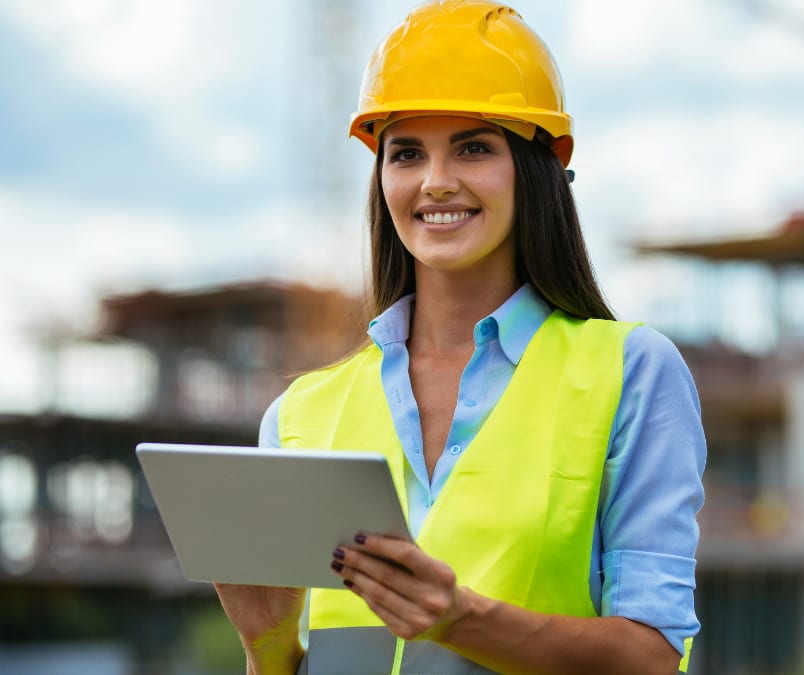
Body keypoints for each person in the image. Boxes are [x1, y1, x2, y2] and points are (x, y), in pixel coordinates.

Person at [214, 1, 706, 673]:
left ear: (537, 166)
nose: (435, 181)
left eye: (473, 147)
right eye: (406, 153)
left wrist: (462, 619)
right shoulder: (298, 417)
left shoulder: (632, 373)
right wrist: (269, 649)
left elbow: (651, 657)